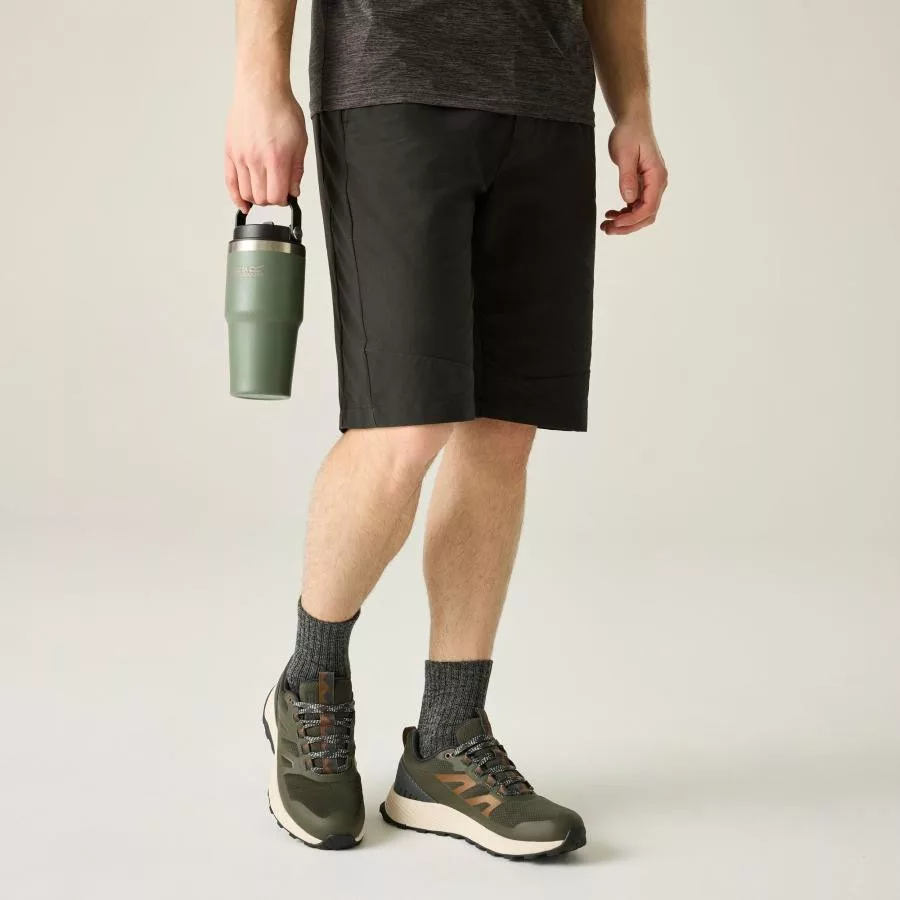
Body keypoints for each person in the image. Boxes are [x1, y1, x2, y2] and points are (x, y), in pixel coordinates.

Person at [225, 0, 667, 859]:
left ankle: (447, 742)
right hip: (392, 78)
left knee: (504, 427)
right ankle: (311, 684)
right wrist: (258, 82)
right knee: (407, 420)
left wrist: (634, 105)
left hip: (545, 94)